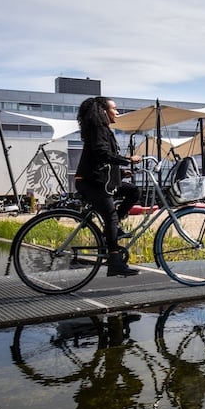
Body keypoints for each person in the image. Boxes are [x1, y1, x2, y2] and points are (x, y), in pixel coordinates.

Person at [74, 97, 142, 277]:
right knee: (110, 217)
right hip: (91, 183)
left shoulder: (102, 130)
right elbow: (102, 154)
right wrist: (127, 160)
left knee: (134, 191)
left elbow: (101, 161)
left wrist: (120, 174)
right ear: (104, 111)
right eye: (115, 109)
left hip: (101, 181)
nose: (117, 113)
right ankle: (114, 262)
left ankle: (113, 230)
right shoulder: (98, 129)